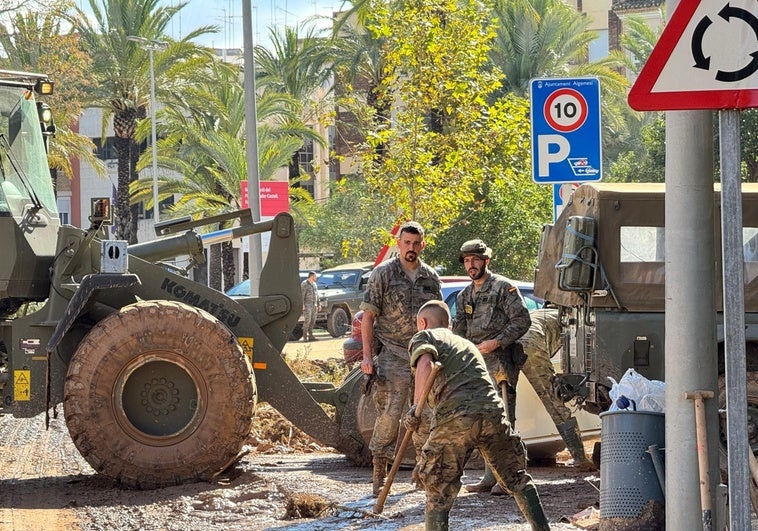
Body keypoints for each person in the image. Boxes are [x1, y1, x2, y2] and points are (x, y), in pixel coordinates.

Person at [403, 300, 550, 531]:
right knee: (516, 478)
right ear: (449, 324)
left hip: (456, 417)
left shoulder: (425, 336)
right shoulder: (466, 344)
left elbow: (425, 365)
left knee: (438, 488)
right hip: (492, 413)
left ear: (422, 322)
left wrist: (415, 409)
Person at [360, 221, 442, 496]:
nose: (411, 248)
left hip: (422, 354)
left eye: (416, 244)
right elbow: (368, 318)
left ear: (423, 244)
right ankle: (379, 470)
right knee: (392, 413)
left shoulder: (431, 277)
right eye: (406, 243)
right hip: (393, 354)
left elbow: (439, 319)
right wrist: (368, 358)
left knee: (424, 413)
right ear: (399, 243)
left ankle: (422, 472)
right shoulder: (382, 274)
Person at [451, 239, 531, 494]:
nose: (470, 265)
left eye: (475, 260)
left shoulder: (502, 288)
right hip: (476, 366)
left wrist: (496, 342)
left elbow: (522, 321)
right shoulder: (465, 295)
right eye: (466, 261)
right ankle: (489, 477)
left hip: (501, 364)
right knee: (484, 423)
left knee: (504, 422)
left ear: (486, 261)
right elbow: (459, 331)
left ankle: (511, 480)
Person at [519, 306, 596, 470]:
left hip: (507, 344)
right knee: (553, 401)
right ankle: (580, 458)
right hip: (529, 345)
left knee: (503, 404)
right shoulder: (571, 319)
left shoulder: (542, 314)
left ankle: (499, 472)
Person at [301, 271, 320, 341]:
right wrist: (302, 305)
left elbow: (317, 295)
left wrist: (319, 304)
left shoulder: (314, 284)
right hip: (307, 305)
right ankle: (305, 336)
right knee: (307, 320)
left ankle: (311, 335)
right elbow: (302, 295)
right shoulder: (304, 284)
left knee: (313, 320)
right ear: (312, 276)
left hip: (314, 305)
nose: (316, 277)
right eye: (315, 276)